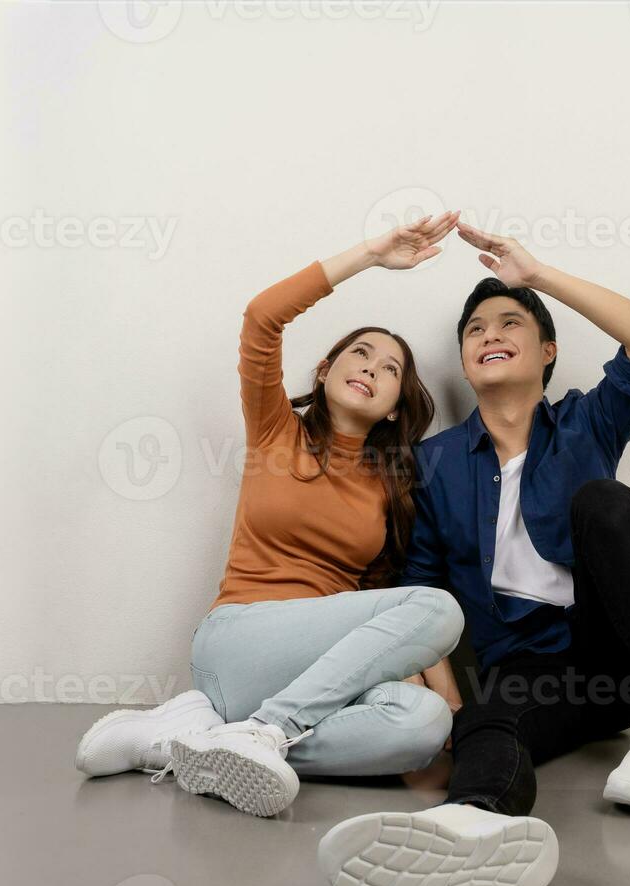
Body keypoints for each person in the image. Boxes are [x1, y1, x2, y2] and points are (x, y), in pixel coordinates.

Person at [316, 222, 630, 886]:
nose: (489, 333)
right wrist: (446, 703)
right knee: (490, 716)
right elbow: (425, 592)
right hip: (526, 667)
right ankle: (471, 830)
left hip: (615, 656)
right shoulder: (434, 465)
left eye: (510, 321)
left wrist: (539, 276)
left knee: (605, 500)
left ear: (546, 351)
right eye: (474, 329)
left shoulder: (589, 423)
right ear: (465, 363)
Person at [75, 213, 468, 818]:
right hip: (240, 641)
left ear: (395, 409)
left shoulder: (391, 489)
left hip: (314, 673)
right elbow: (263, 317)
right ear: (325, 371)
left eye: (389, 369)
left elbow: (386, 599)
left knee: (421, 722)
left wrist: (449, 706)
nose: (370, 367)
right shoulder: (274, 430)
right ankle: (264, 732)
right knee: (438, 607)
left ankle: (197, 741)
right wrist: (370, 253)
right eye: (359, 354)